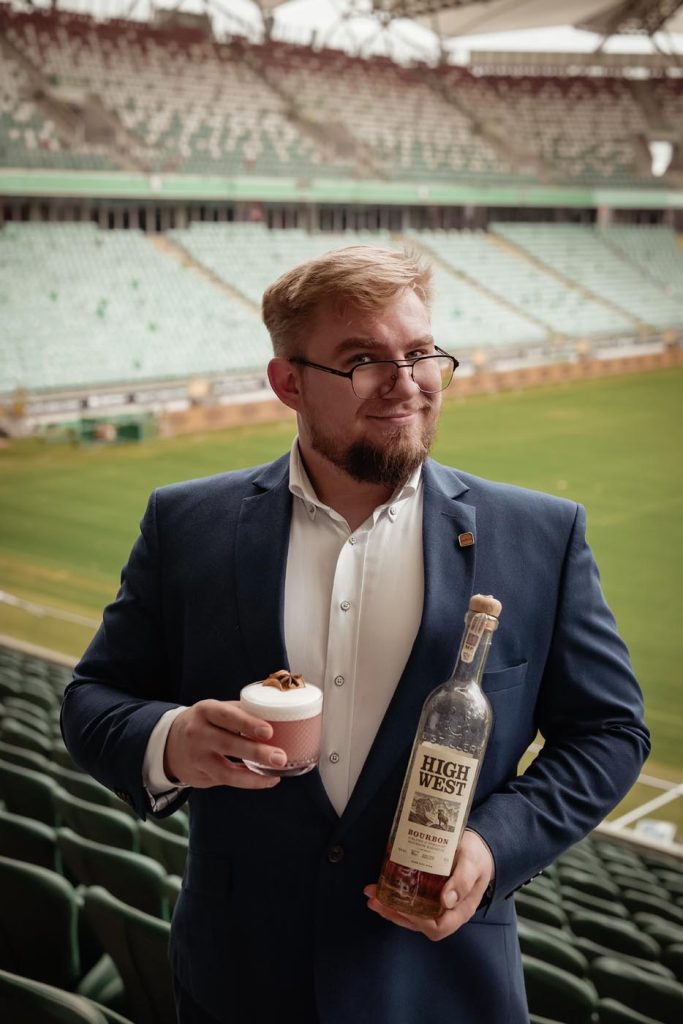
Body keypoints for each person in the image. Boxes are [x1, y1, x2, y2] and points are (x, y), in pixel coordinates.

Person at [61, 246, 649, 1024]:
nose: (406, 382)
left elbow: (608, 732)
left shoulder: (540, 536)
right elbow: (91, 700)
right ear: (288, 382)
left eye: (421, 353)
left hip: (442, 991)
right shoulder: (187, 523)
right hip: (240, 983)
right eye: (364, 360)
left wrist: (491, 844)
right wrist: (171, 742)